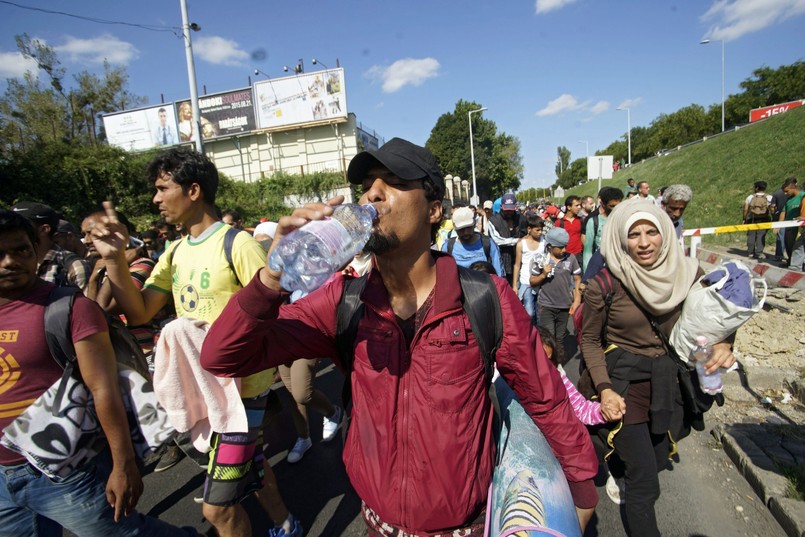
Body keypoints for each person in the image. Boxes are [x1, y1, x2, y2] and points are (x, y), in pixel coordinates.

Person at [200, 137, 598, 535]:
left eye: (392, 181)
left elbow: (546, 399)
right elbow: (222, 357)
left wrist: (581, 490)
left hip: (465, 527)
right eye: (368, 185)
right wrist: (272, 277)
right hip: (378, 525)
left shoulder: (486, 299)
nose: (372, 193)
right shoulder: (341, 302)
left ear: (434, 211)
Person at [89, 148, 300, 537]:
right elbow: (139, 313)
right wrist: (115, 258)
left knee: (218, 509)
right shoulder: (175, 251)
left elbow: (276, 311)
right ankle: (286, 522)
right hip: (206, 390)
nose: (155, 199)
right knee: (251, 466)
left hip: (242, 395)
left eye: (161, 188)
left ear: (193, 190)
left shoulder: (237, 244)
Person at [0, 209, 196, 537]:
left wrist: (123, 465)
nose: (9, 262)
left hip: (66, 470)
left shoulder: (68, 308)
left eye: (20, 250)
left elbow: (102, 387)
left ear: (36, 249)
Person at [579, 198, 736, 537]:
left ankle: (615, 462)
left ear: (665, 233)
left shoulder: (690, 274)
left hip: (668, 384)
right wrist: (604, 389)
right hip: (623, 385)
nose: (644, 242)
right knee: (645, 484)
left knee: (658, 457)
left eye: (652, 232)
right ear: (621, 239)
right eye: (634, 234)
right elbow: (589, 340)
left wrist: (724, 344)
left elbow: (720, 317)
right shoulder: (605, 284)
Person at [10, 201, 91, 293]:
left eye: (21, 226)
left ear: (44, 229)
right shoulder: (11, 265)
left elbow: (86, 305)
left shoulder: (73, 266)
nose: (13, 231)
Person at [530, 227, 581, 348]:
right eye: (560, 247)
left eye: (565, 246)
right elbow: (532, 281)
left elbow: (577, 279)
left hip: (564, 306)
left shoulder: (571, 258)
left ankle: (557, 364)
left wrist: (577, 300)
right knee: (548, 339)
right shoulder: (540, 259)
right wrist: (543, 274)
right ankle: (547, 365)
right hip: (546, 305)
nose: (564, 250)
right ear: (550, 246)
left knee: (560, 339)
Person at [441, 206, 505, 276]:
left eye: (469, 227)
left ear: (474, 223)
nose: (466, 232)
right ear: (454, 227)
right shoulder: (448, 247)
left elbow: (500, 276)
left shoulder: (488, 244)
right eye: (461, 229)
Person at [512, 214, 545, 324]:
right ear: (529, 229)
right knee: (529, 312)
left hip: (540, 281)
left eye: (542, 230)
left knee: (540, 313)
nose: (540, 233)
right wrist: (515, 285)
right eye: (538, 230)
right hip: (526, 282)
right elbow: (517, 265)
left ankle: (539, 334)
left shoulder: (544, 242)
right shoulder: (521, 244)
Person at [582, 187, 624, 272]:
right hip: (601, 269)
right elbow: (587, 251)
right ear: (603, 204)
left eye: (618, 205)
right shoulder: (593, 221)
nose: (615, 209)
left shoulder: (625, 220)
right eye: (612, 206)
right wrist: (588, 275)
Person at [486, 193, 522, 284]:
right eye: (507, 210)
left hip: (518, 262)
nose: (509, 212)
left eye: (511, 210)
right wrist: (518, 241)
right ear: (501, 206)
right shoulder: (493, 221)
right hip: (500, 261)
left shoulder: (520, 219)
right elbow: (497, 240)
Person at [743, 180, 774, 259]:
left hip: (752, 219)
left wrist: (744, 218)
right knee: (761, 235)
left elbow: (745, 209)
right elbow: (772, 209)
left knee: (751, 235)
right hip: (764, 219)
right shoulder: (769, 197)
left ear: (756, 188)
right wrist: (773, 218)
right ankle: (759, 252)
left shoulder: (750, 197)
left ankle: (750, 252)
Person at [780, 177, 803, 264]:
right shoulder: (788, 200)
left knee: (798, 246)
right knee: (788, 245)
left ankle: (797, 263)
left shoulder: (802, 196)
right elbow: (783, 212)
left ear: (793, 187)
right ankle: (790, 261)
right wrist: (779, 224)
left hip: (798, 226)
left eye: (787, 191)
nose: (786, 193)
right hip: (789, 226)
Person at [555, 195, 583, 265]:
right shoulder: (559, 223)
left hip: (578, 255)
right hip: (565, 255)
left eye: (580, 205)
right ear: (569, 207)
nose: (579, 207)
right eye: (576, 205)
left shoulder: (581, 221)